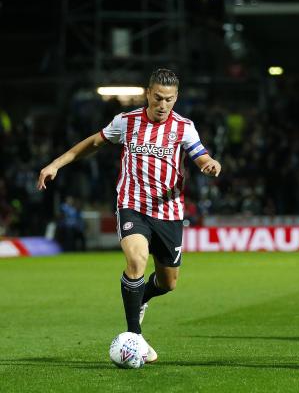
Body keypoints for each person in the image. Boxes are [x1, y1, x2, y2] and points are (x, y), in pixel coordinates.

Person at [37, 68, 221, 363]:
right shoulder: (126, 122)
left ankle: (143, 297)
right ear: (148, 93)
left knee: (168, 282)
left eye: (169, 99)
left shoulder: (184, 127)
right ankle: (134, 337)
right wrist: (56, 164)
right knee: (136, 261)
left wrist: (209, 163)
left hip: (169, 212)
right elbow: (93, 143)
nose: (163, 105)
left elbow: (200, 154)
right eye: (158, 97)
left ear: (176, 98)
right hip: (132, 205)